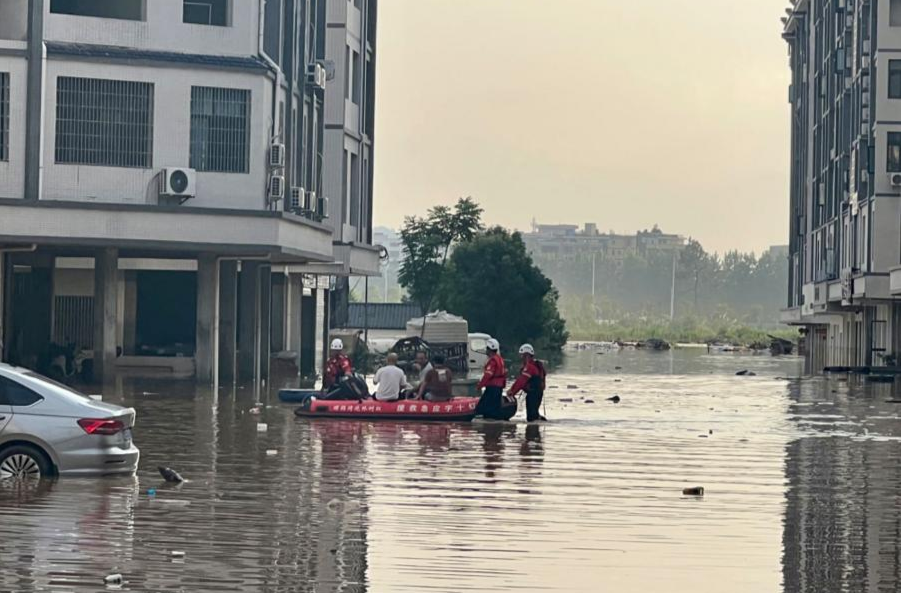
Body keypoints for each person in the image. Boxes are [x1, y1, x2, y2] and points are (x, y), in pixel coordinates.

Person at [475, 338, 515, 420]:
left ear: (490, 349)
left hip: (492, 388)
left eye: (487, 348)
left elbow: (487, 375)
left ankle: (487, 426)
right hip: (498, 387)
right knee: (494, 408)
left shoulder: (493, 361)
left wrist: (479, 386)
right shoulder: (500, 359)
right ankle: (495, 427)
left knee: (481, 408)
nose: (486, 350)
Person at [508, 344, 547, 422]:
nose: (521, 358)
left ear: (526, 355)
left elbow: (521, 381)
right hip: (537, 393)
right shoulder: (535, 366)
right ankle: (536, 429)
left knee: (531, 417)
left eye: (522, 355)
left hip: (533, 394)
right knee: (533, 415)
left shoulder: (530, 367)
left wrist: (512, 392)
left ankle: (534, 431)